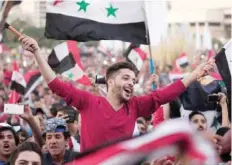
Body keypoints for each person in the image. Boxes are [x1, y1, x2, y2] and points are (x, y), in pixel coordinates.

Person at [19, 35, 215, 152]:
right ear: (110, 81)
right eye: (126, 78)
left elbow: (165, 94)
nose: (131, 83)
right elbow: (55, 84)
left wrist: (196, 74)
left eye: (133, 80)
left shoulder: (136, 105)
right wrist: (37, 53)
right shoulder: (88, 101)